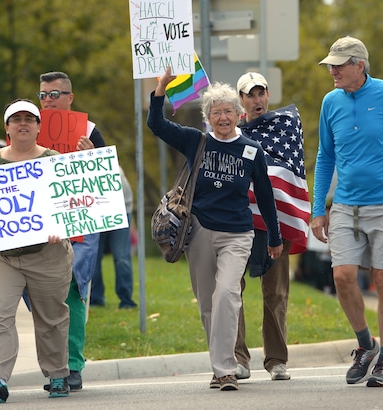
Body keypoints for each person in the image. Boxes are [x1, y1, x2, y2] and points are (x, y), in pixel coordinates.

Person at [147, 68, 283, 391]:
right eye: (216, 112)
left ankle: (225, 369)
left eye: (228, 111)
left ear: (239, 114)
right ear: (208, 117)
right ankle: (220, 364)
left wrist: (275, 238)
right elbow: (157, 124)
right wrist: (161, 89)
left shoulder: (251, 149)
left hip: (238, 234)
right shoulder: (197, 141)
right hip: (199, 232)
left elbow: (264, 195)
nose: (223, 117)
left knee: (227, 294)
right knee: (208, 302)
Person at [311, 36, 383, 387]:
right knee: (343, 276)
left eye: (340, 64)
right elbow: (325, 156)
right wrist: (318, 208)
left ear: (360, 65)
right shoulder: (330, 102)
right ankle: (366, 345)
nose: (333, 70)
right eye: (331, 64)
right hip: (346, 204)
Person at [0, 100, 73, 403]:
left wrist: (60, 227)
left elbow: (69, 205)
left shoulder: (53, 159)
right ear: (7, 128)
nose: (23, 123)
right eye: (16, 119)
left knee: (51, 316)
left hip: (47, 254)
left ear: (39, 127)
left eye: (29, 119)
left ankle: (57, 376)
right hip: (2, 256)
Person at [39, 71, 106, 391]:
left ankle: (73, 366)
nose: (48, 101)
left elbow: (105, 182)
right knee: (43, 298)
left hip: (81, 222)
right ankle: (55, 365)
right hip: (41, 225)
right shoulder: (27, 130)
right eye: (43, 95)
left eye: (54, 94)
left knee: (73, 293)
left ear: (70, 97)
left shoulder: (90, 132)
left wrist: (89, 156)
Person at [231, 72, 295, 381]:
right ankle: (238, 358)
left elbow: (292, 175)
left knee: (276, 293)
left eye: (261, 93)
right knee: (233, 290)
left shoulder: (284, 128)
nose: (257, 100)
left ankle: (277, 360)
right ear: (240, 100)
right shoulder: (228, 132)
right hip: (238, 223)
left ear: (268, 95)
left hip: (274, 222)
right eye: (250, 94)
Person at [92, 166, 137, 309]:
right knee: (94, 256)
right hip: (96, 211)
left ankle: (126, 300)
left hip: (120, 209)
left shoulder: (108, 164)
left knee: (121, 256)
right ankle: (95, 298)